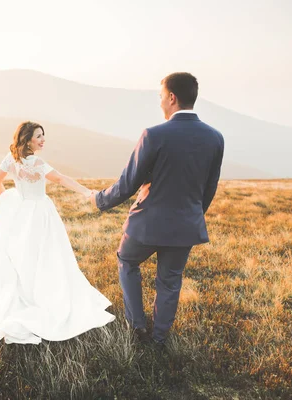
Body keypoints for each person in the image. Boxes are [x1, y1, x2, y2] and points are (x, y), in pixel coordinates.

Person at [90, 72, 224, 351]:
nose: (160, 102)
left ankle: (137, 324)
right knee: (170, 281)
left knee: (127, 261)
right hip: (186, 225)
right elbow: (209, 188)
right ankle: (160, 338)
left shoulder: (154, 134)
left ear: (172, 98)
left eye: (161, 96)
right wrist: (192, 215)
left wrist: (100, 200)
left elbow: (128, 184)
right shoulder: (215, 138)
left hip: (147, 224)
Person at [0, 121, 115, 345]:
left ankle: (28, 293)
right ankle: (45, 294)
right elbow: (60, 179)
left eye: (43, 135)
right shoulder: (37, 163)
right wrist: (87, 192)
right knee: (47, 254)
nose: (43, 140)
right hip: (40, 213)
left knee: (23, 255)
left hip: (21, 212)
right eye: (38, 136)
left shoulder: (11, 158)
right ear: (27, 139)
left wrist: (10, 198)